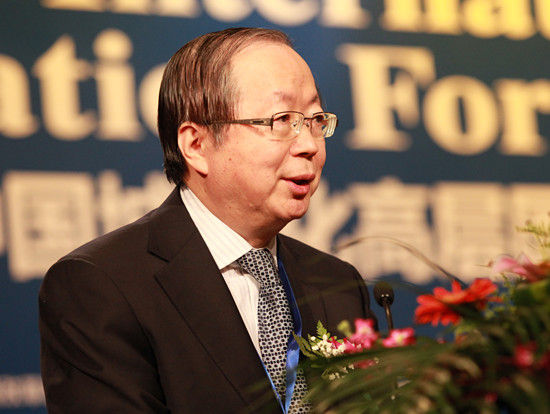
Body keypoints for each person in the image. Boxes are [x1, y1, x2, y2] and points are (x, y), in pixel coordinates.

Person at [39, 27, 376, 413]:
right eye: (282, 120)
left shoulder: (338, 284)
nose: (309, 145)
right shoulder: (102, 287)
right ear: (196, 145)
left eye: (316, 120)